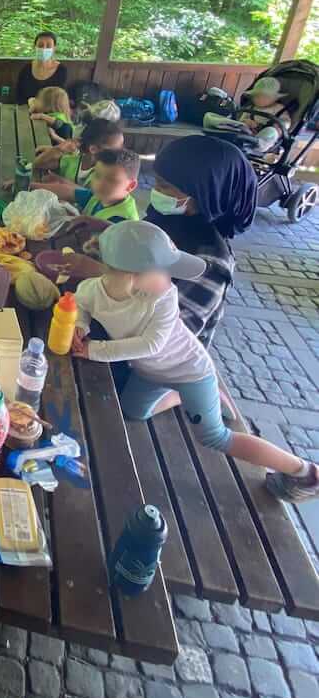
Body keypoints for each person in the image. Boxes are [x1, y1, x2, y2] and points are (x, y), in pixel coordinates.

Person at [72, 221, 319, 503]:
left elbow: (151, 345)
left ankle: (304, 471)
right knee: (132, 411)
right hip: (151, 372)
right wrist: (80, 324)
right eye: (165, 271)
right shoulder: (92, 288)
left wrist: (94, 350)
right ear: (134, 275)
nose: (171, 278)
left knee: (215, 437)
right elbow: (82, 303)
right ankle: (182, 397)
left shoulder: (164, 296)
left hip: (190, 371)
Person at [145, 134, 256, 349]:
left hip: (159, 366)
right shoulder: (166, 220)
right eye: (156, 182)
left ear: (206, 193)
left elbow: (169, 337)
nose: (155, 191)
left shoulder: (210, 262)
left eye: (164, 186)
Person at [34, 117, 124, 186]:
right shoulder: (72, 161)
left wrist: (61, 181)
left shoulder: (107, 173)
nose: (121, 152)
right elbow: (38, 163)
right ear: (93, 149)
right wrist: (59, 149)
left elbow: (91, 197)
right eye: (116, 149)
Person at [14, 30, 67, 104]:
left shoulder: (61, 70)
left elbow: (59, 98)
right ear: (34, 47)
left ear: (54, 48)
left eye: (48, 46)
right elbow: (19, 97)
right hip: (26, 110)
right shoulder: (26, 69)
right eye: (40, 45)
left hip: (51, 112)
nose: (44, 49)